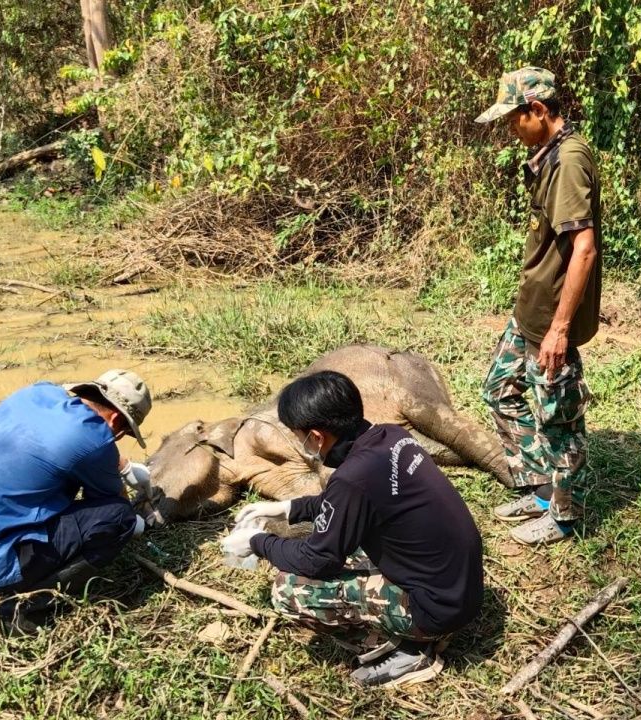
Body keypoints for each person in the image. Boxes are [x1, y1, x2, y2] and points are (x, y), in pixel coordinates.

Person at [220, 371, 483, 688]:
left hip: (437, 610)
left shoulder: (352, 478)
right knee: (349, 540)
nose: (300, 443)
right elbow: (349, 501)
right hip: (460, 587)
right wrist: (285, 508)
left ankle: (407, 649)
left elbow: (317, 560)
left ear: (316, 437)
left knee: (288, 591)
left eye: (298, 435)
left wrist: (258, 542)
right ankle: (416, 628)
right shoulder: (390, 437)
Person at [0, 369, 154, 634]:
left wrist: (121, 466)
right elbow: (110, 501)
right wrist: (133, 515)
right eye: (123, 433)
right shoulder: (97, 442)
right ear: (115, 422)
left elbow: (61, 445)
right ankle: (25, 611)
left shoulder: (36, 392)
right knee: (119, 518)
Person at [474, 66, 602, 546]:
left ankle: (565, 515)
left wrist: (560, 330)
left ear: (539, 111)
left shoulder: (568, 161)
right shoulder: (546, 156)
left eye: (514, 118)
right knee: (498, 390)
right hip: (530, 312)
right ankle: (541, 487)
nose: (510, 129)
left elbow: (583, 249)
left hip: (551, 321)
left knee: (559, 419)